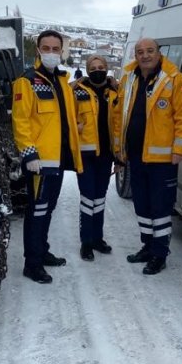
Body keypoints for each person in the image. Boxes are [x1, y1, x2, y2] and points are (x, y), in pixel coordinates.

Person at [112, 38, 182, 275]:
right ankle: (147, 246)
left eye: (149, 51)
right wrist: (118, 148)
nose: (144, 55)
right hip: (135, 155)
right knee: (142, 205)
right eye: (140, 52)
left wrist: (178, 150)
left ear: (159, 53)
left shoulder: (175, 79)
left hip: (162, 160)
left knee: (161, 208)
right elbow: (119, 115)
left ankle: (160, 254)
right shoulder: (129, 78)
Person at [12, 30, 83, 284]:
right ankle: (32, 264)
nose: (51, 52)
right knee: (37, 211)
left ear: (61, 51)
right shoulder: (27, 80)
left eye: (56, 48)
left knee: (48, 209)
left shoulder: (62, 80)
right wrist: (29, 153)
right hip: (39, 162)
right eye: (46, 47)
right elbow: (21, 121)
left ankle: (42, 252)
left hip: (58, 159)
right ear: (38, 50)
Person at [73, 54, 117, 261]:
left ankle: (98, 238)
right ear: (87, 69)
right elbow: (66, 119)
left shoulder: (115, 92)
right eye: (93, 67)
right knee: (87, 198)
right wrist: (76, 126)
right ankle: (86, 242)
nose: (97, 70)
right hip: (86, 154)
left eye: (101, 66)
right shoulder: (77, 91)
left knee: (100, 198)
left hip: (106, 155)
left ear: (107, 69)